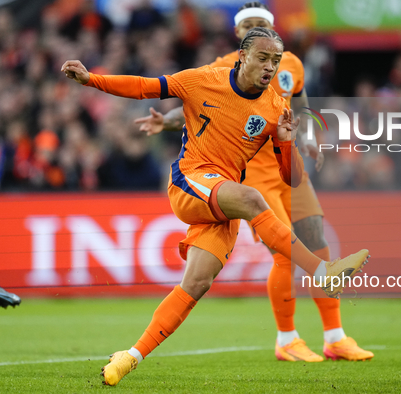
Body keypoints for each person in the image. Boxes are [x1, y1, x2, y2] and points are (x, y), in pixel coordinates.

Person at [61, 27, 369, 386]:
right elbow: (145, 86)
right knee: (254, 198)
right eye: (263, 58)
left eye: (275, 60)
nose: (270, 67)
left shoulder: (275, 106)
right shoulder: (202, 80)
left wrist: (286, 143)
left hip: (223, 199)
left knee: (196, 282)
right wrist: (90, 79)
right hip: (190, 181)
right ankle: (319, 271)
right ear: (242, 56)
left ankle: (129, 357)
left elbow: (291, 178)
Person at [135, 2, 373, 363]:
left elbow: (300, 104)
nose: (255, 27)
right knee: (283, 254)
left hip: (288, 165)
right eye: (249, 24)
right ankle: (287, 338)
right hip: (254, 174)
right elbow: (189, 102)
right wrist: (164, 122)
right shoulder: (221, 68)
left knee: (317, 241)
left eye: (262, 23)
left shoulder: (289, 63)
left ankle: (335, 336)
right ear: (239, 34)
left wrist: (306, 135)